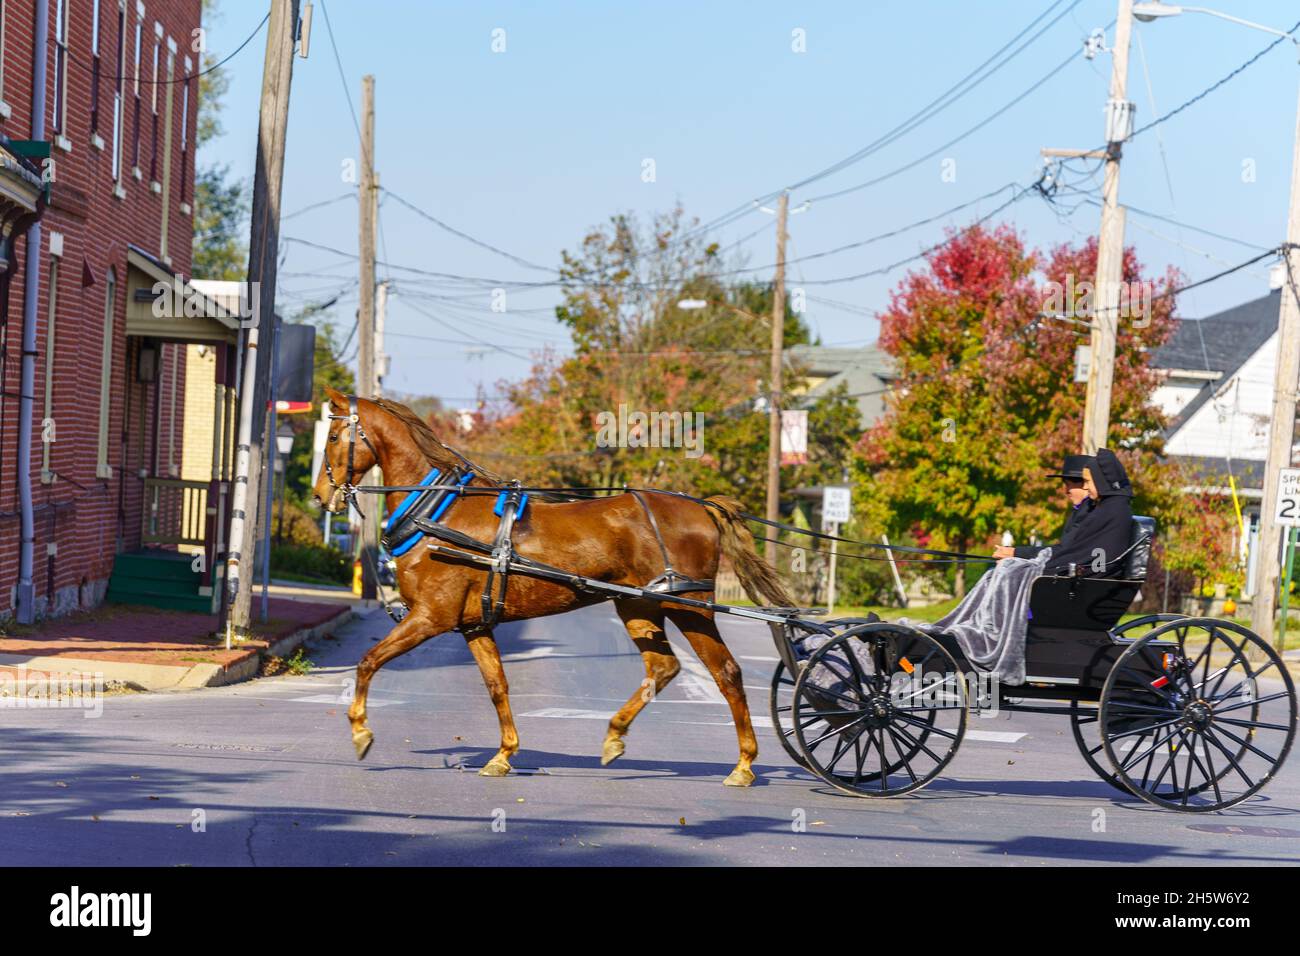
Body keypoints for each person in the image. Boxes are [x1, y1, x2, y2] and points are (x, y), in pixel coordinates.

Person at [1038, 448, 1133, 576]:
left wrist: (1043, 567)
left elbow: (1085, 555)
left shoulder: (1110, 511)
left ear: (1100, 481)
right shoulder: (1110, 508)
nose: (1085, 487)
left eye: (1088, 482)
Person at [992, 454, 1094, 562]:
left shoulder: (1089, 511)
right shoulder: (1080, 510)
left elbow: (1064, 550)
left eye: (1068, 485)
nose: (1066, 491)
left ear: (1084, 484)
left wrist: (1014, 553)